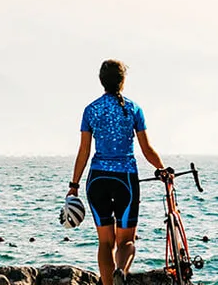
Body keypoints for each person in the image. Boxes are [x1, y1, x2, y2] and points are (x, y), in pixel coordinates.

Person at [67, 59, 173, 285]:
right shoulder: (134, 109)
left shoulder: (91, 110)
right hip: (125, 179)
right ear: (123, 81)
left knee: (105, 243)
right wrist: (161, 169)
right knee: (126, 241)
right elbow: (146, 149)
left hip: (97, 179)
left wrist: (73, 185)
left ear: (101, 81)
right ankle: (121, 271)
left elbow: (84, 151)